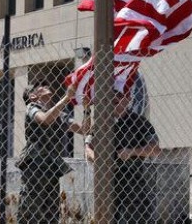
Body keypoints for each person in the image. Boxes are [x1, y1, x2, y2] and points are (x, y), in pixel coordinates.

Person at [16, 81, 91, 224]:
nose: (46, 87)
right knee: (30, 213)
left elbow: (84, 130)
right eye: (41, 87)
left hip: (51, 168)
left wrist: (87, 109)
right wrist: (66, 98)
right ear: (32, 96)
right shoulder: (32, 107)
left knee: (50, 214)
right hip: (34, 167)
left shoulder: (59, 115)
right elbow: (45, 119)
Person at [84, 92, 161, 224]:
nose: (113, 102)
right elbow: (88, 148)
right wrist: (99, 160)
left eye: (117, 99)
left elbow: (155, 149)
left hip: (132, 180)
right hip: (106, 182)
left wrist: (132, 152)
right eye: (110, 99)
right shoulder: (102, 123)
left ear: (126, 100)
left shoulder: (139, 122)